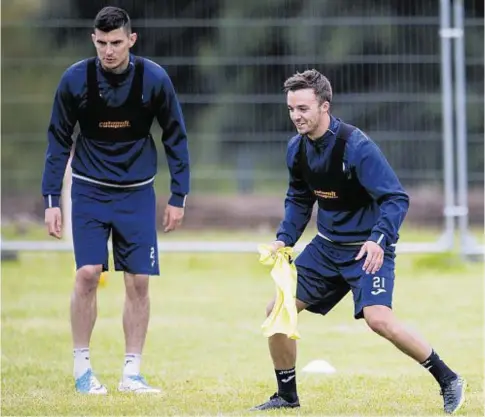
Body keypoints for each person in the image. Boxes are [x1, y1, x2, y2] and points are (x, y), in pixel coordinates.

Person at [251, 70, 466, 414]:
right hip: (326, 247)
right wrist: (283, 240)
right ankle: (286, 397)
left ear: (324, 106)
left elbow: (396, 198)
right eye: (291, 109)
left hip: (368, 248)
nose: (296, 116)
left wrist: (380, 239)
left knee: (378, 319)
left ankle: (449, 379)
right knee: (277, 311)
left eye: (303, 108)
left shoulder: (356, 146)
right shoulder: (297, 149)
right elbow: (299, 200)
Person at [41, 6, 190, 394]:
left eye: (117, 43)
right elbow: (58, 139)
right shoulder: (75, 80)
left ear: (131, 40)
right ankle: (82, 369)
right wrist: (51, 198)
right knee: (88, 273)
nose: (109, 51)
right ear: (94, 39)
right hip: (89, 189)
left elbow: (175, 134)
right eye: (102, 43)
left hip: (138, 192)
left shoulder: (153, 78)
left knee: (138, 280)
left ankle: (132, 373)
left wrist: (179, 194)